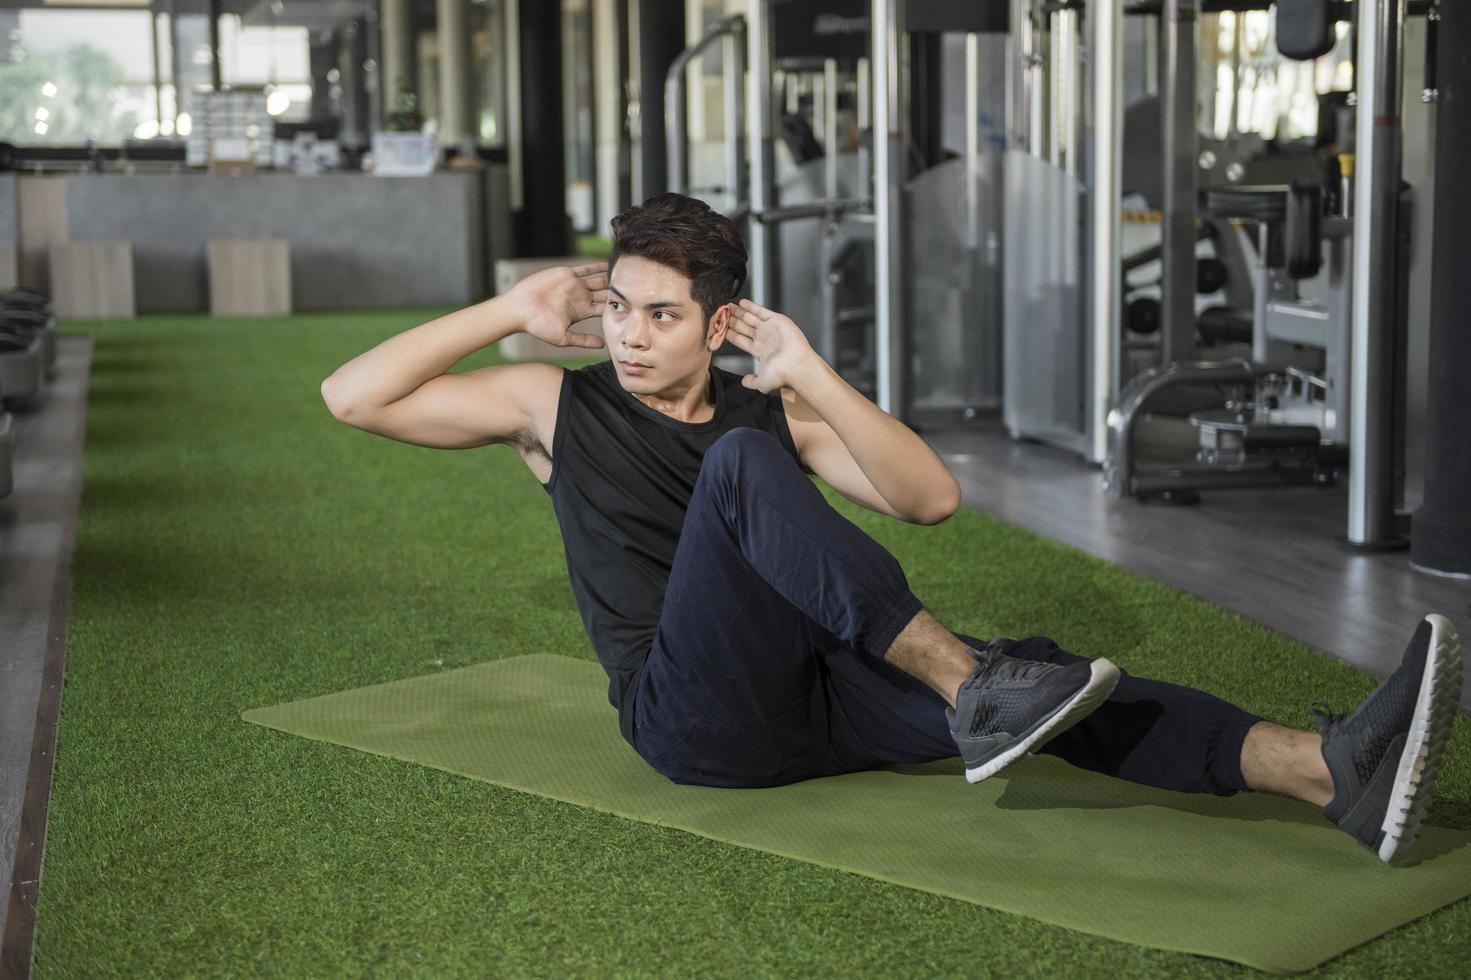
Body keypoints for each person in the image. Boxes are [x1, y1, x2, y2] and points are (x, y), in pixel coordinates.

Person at [322, 193, 1462, 865]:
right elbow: (351, 396)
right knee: (740, 472)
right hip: (689, 715)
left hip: (818, 692)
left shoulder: (770, 408)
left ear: (717, 322)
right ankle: (969, 684)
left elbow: (929, 498)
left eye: (661, 316)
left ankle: (1327, 774)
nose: (628, 336)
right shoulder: (550, 409)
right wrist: (515, 312)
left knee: (1055, 677)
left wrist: (807, 366)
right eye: (617, 308)